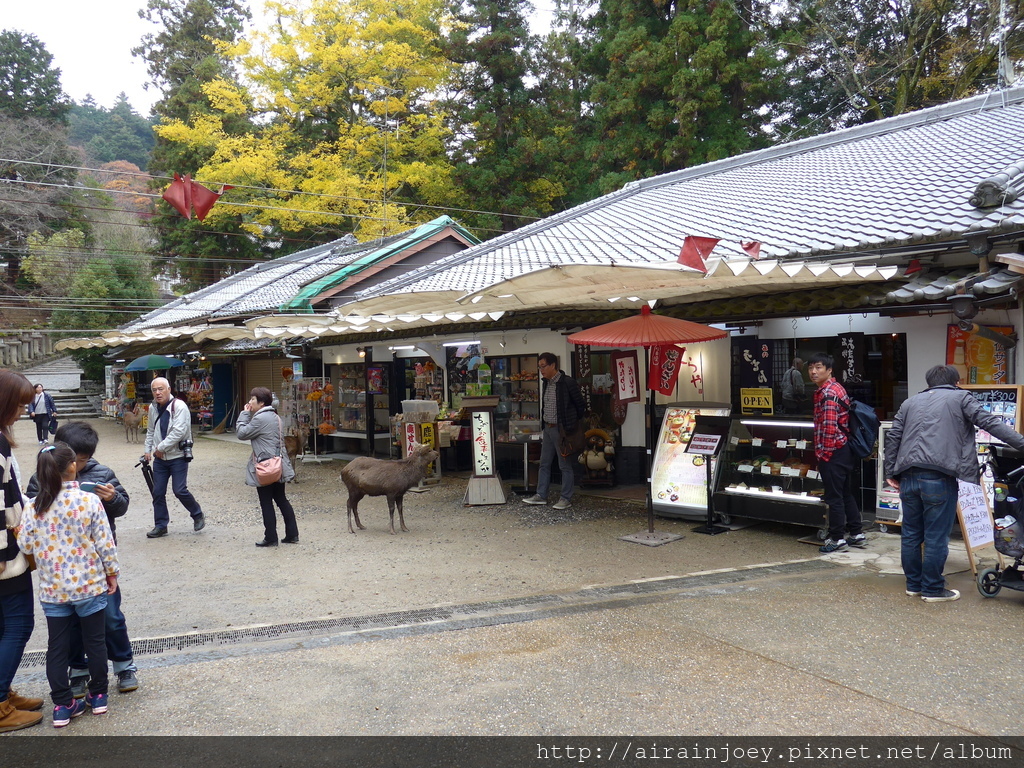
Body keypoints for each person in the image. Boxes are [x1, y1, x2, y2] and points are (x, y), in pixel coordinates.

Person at [884, 364, 1024, 602]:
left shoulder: (909, 403)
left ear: (929, 383)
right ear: (956, 382)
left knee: (910, 534)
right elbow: (990, 423)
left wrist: (890, 471)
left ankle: (914, 585)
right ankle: (932, 589)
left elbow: (894, 436)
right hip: (939, 477)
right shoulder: (961, 397)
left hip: (907, 476)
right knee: (936, 536)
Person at [26, 421, 139, 696]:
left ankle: (124, 665)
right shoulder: (41, 477)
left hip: (94, 565)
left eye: (84, 459)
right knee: (71, 624)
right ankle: (78, 670)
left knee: (111, 617)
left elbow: (122, 505)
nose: (77, 465)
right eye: (74, 459)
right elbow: (31, 512)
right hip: (58, 567)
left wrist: (112, 498)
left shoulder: (103, 472)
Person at [19, 443, 119, 727]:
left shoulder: (34, 505)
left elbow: (25, 543)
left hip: (53, 590)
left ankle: (62, 704)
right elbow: (104, 543)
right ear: (72, 466)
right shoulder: (88, 501)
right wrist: (111, 573)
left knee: (57, 647)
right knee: (95, 642)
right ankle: (98, 695)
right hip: (89, 584)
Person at [0, 370, 43, 732]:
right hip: (4, 554)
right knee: (18, 624)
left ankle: (4, 691)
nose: (21, 413)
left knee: (3, 625)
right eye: (18, 405)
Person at [807, 352, 866, 554]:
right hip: (844, 449)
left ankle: (837, 538)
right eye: (810, 368)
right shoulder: (834, 388)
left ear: (829, 370)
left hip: (834, 451)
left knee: (834, 496)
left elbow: (830, 428)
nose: (813, 372)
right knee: (845, 492)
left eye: (818, 368)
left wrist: (824, 455)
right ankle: (857, 533)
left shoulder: (828, 393)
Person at [523, 352, 587, 511]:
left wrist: (570, 425)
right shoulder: (546, 383)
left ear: (553, 365)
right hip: (548, 428)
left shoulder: (567, 383)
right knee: (544, 463)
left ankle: (566, 498)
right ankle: (541, 495)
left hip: (562, 430)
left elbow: (580, 405)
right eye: (539, 367)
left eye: (543, 366)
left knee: (564, 465)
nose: (541, 370)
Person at [235, 387, 298, 547]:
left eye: (252, 400)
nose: (249, 402)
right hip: (279, 462)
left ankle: (270, 537)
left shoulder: (260, 419)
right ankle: (292, 534)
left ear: (261, 402)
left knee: (266, 502)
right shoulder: (275, 417)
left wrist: (244, 414)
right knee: (281, 499)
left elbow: (242, 433)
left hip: (265, 465)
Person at [144, 377, 205, 538]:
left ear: (169, 389)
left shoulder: (179, 406)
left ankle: (197, 513)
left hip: (177, 456)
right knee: (157, 492)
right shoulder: (153, 408)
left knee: (179, 490)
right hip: (160, 459)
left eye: (161, 389)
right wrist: (147, 450)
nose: (158, 393)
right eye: (155, 390)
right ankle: (160, 525)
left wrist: (160, 448)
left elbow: (178, 432)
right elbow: (150, 430)